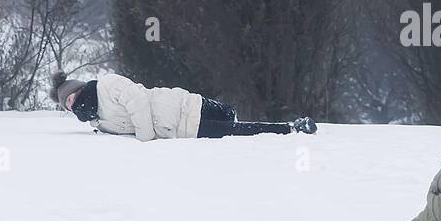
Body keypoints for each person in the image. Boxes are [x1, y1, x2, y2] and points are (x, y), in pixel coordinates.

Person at [50, 72, 317, 140]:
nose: (73, 107)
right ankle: (289, 129)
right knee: (236, 133)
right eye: (68, 107)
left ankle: (291, 129)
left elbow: (138, 100)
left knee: (232, 123)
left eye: (71, 100)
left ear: (78, 89)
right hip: (180, 128)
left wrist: (146, 138)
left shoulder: (107, 85)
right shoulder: (99, 120)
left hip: (184, 108)